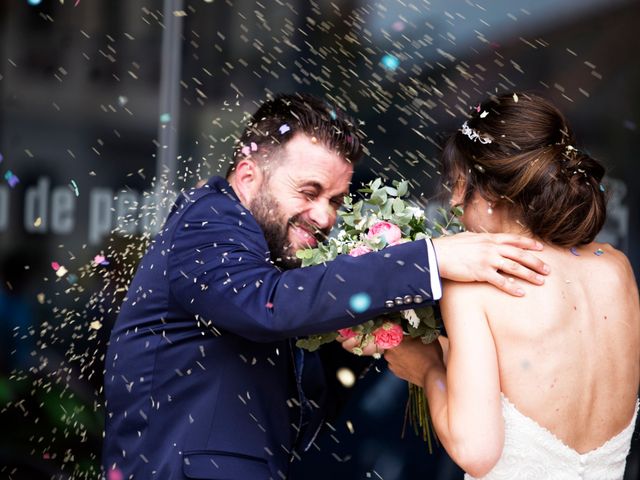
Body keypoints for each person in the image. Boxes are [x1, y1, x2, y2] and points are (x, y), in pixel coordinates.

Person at [102, 93, 549, 480]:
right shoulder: (208, 221)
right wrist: (429, 259)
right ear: (247, 176)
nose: (324, 216)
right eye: (308, 191)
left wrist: (383, 330)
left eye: (334, 200)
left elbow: (306, 380)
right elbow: (267, 306)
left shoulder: (267, 253)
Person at [383, 92, 640, 479]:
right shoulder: (616, 268)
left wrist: (428, 369)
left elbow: (476, 450)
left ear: (491, 191)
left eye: (457, 183)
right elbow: (542, 371)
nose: (453, 203)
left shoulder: (477, 286)